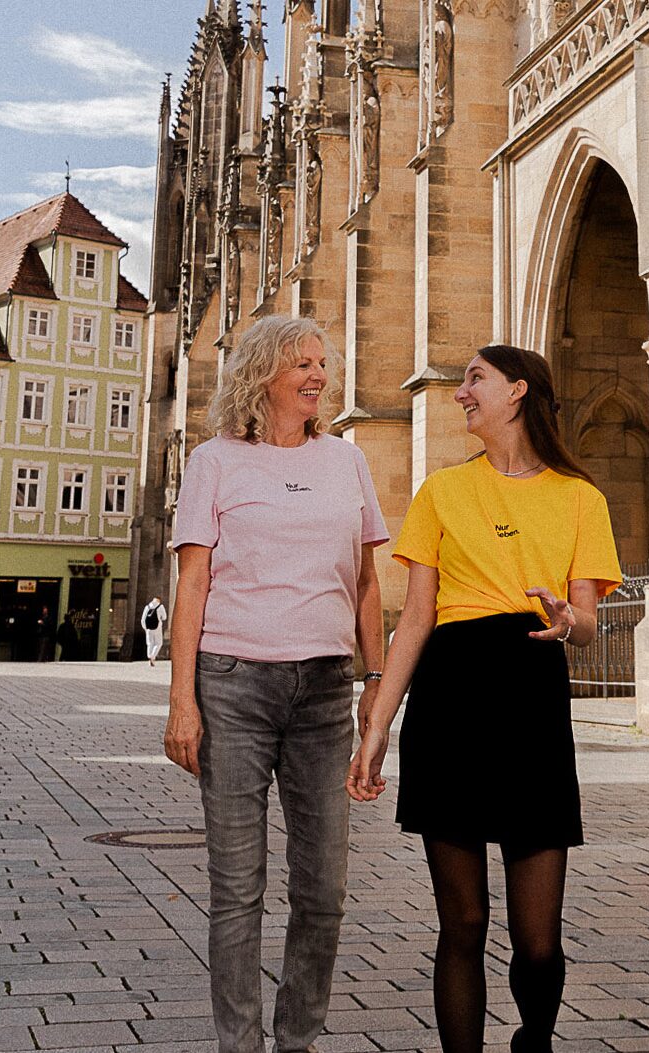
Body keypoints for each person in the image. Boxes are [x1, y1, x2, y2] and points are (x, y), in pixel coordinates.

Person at [348, 345, 621, 1053]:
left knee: (537, 939)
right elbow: (414, 617)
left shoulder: (579, 496)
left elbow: (588, 619)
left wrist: (569, 619)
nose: (460, 391)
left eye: (474, 378)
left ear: (517, 391)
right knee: (462, 922)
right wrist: (377, 725)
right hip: (450, 698)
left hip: (531, 696)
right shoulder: (440, 492)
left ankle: (534, 1037)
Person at [163, 316, 390, 1053]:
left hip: (324, 690)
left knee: (322, 889)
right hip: (232, 684)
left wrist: (375, 679)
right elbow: (191, 581)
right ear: (264, 373)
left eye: (323, 362)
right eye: (303, 363)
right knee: (237, 889)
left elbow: (365, 581)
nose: (319, 375)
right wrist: (182, 701)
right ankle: (241, 1044)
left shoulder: (346, 462)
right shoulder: (215, 461)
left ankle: (296, 1038)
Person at [140, 596, 166, 666]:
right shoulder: (160, 606)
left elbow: (143, 619)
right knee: (158, 643)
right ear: (159, 601)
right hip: (157, 628)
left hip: (148, 628)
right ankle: (153, 656)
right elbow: (164, 617)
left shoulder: (147, 607)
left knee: (150, 643)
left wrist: (145, 628)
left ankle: (149, 657)